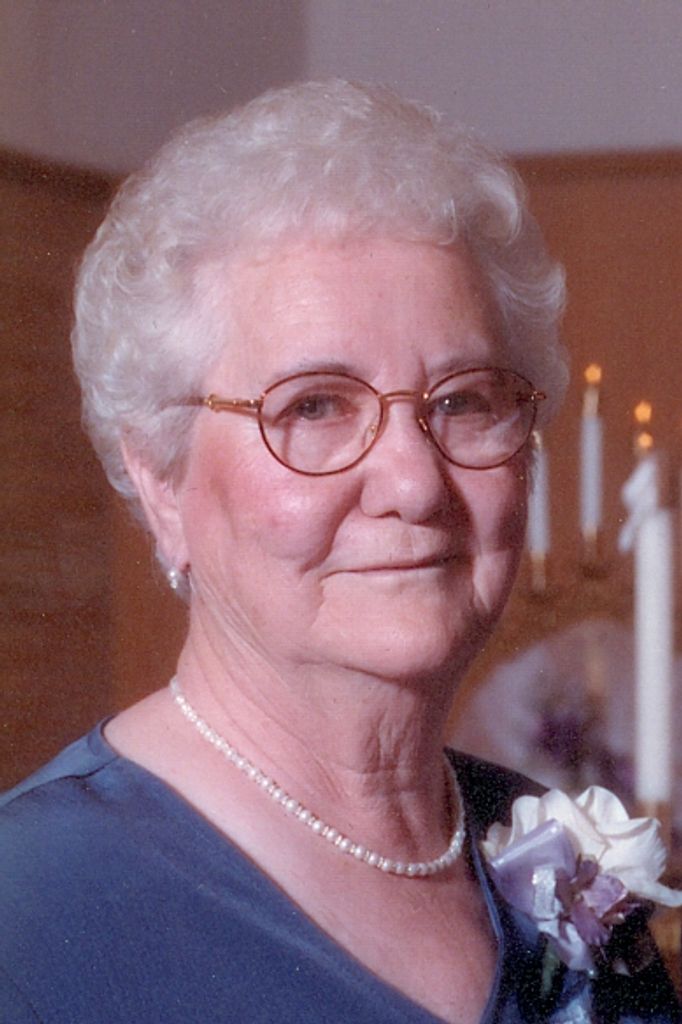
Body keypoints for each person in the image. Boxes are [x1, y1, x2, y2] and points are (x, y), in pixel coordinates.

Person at [1, 80, 677, 1023]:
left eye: (464, 400)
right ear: (160, 478)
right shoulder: (32, 912)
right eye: (314, 406)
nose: (414, 483)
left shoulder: (568, 872)